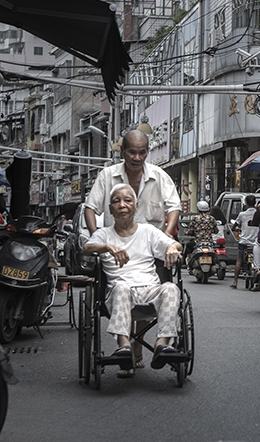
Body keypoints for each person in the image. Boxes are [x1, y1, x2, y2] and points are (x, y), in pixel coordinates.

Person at [83, 184, 185, 378]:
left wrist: (172, 248)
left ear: (136, 207)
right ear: (110, 209)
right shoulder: (104, 234)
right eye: (116, 201)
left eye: (128, 200)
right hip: (119, 293)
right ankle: (124, 348)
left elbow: (174, 243)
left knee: (171, 288)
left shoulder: (148, 231)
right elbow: (86, 248)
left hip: (149, 291)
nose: (122, 205)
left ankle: (161, 345)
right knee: (121, 287)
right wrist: (107, 247)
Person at [84, 130, 181, 238]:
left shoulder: (160, 176)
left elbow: (174, 207)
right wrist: (95, 237)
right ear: (122, 151)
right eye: (132, 152)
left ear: (147, 152)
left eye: (142, 153)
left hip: (151, 249)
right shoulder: (107, 176)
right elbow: (90, 208)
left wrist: (167, 233)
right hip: (114, 247)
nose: (137, 158)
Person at [230, 195, 259, 288]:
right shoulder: (259, 214)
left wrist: (234, 228)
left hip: (244, 242)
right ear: (255, 203)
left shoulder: (242, 214)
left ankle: (235, 282)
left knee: (239, 261)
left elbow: (235, 225)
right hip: (256, 243)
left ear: (246, 203)